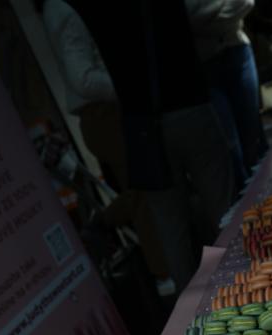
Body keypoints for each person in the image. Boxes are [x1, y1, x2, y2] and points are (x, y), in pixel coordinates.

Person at [70, 0, 234, 292]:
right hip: (188, 103)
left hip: (141, 123)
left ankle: (197, 308)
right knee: (224, 207)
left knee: (171, 228)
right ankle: (247, 284)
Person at [37, 0, 170, 284]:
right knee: (143, 195)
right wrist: (129, 86)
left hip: (106, 112)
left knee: (144, 191)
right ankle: (166, 275)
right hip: (103, 113)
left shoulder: (62, 9)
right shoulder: (61, 9)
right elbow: (83, 79)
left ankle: (162, 268)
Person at [185, 0, 267, 191]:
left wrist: (207, 17)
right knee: (231, 153)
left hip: (238, 51)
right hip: (203, 65)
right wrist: (222, 10)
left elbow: (245, 3)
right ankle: (250, 206)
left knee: (254, 139)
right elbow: (187, 17)